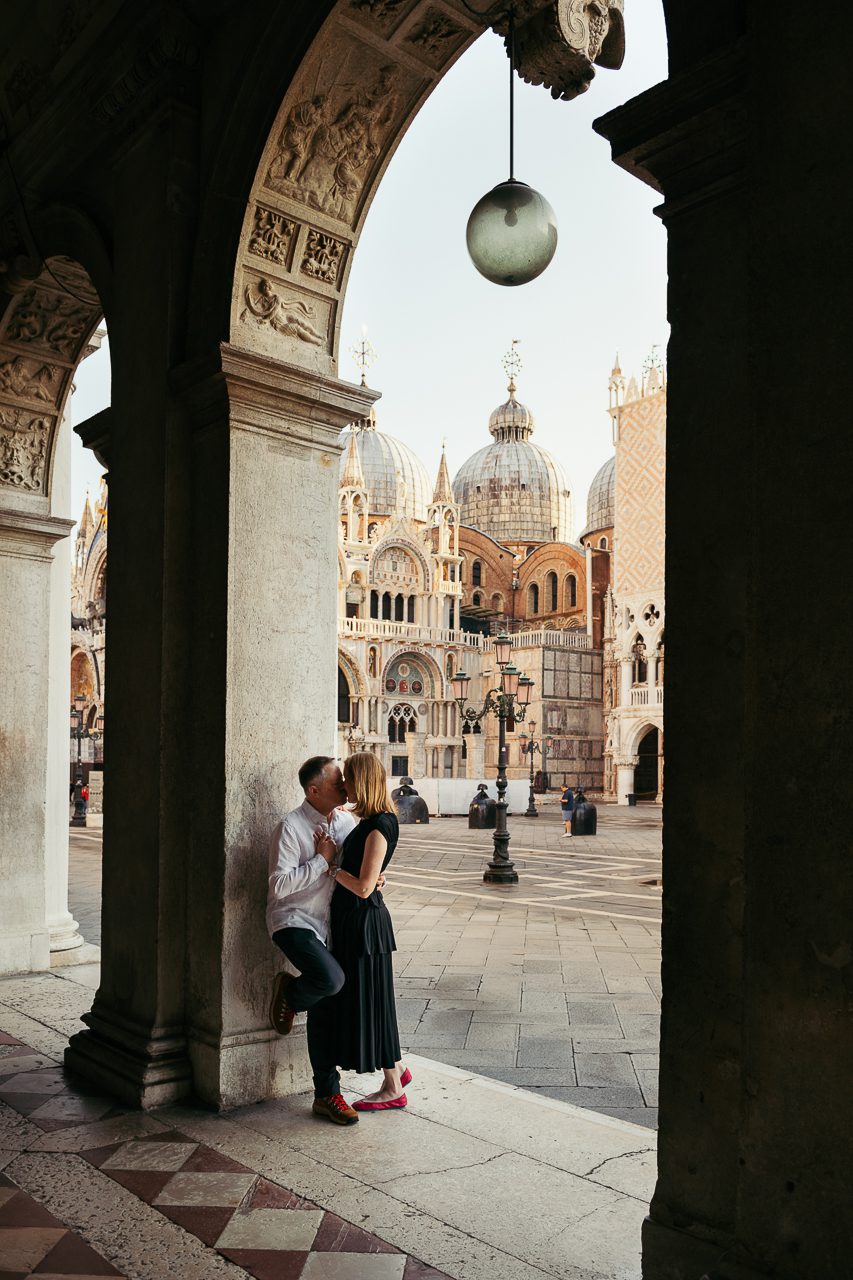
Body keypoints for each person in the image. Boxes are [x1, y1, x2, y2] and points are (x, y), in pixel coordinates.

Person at [267, 755, 361, 1126]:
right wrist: (322, 861)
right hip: (293, 922)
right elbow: (278, 887)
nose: (344, 786)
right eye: (338, 782)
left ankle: (327, 1095)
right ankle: (290, 994)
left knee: (325, 1004)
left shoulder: (345, 822)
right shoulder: (289, 828)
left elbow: (355, 866)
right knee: (331, 980)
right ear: (314, 790)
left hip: (328, 927)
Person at [314, 751, 408, 1114]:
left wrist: (332, 867)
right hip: (359, 924)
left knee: (373, 1002)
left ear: (363, 781)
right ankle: (397, 1070)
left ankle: (393, 1087)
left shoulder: (378, 826)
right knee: (374, 1000)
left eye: (347, 780)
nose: (344, 786)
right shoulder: (373, 822)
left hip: (364, 926)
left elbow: (366, 887)